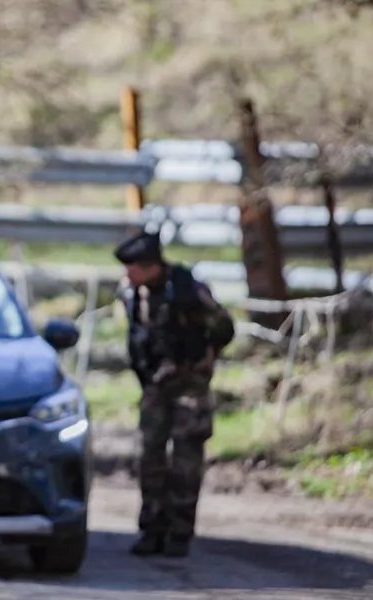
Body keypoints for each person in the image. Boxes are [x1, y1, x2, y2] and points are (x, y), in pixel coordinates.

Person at [113, 230, 235, 558]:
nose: (127, 273)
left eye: (133, 267)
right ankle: (151, 528)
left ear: (151, 266)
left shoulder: (188, 291)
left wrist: (203, 358)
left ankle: (179, 532)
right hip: (155, 385)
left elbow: (224, 328)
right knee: (149, 458)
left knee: (186, 461)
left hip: (189, 385)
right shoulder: (131, 293)